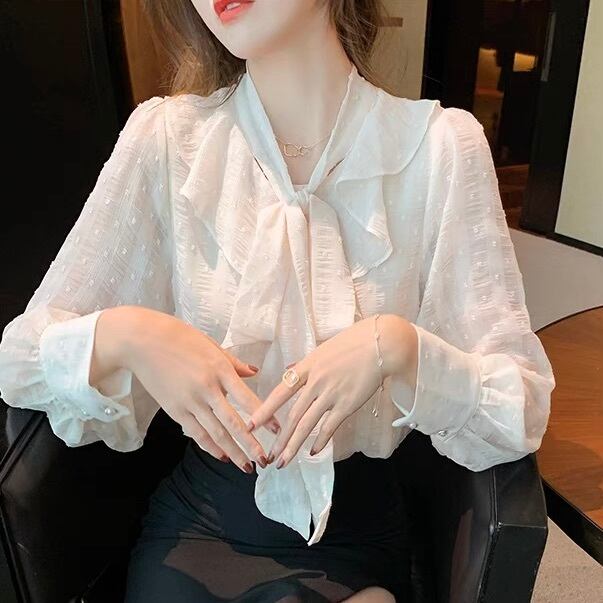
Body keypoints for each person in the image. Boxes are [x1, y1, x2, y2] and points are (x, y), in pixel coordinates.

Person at [0, 0, 556, 601]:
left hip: (351, 537)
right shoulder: (166, 140)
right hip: (198, 529)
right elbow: (20, 360)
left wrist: (398, 347)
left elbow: (518, 409)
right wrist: (133, 335)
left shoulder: (439, 148)